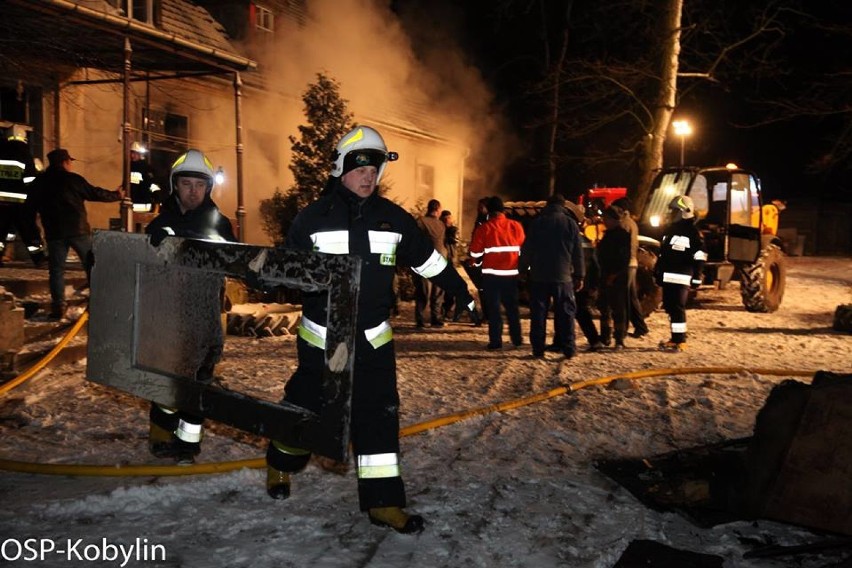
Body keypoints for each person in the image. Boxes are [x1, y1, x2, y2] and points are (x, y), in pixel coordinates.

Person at [264, 126, 479, 534]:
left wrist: (462, 291)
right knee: (306, 407)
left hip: (373, 341)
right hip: (322, 340)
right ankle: (282, 460)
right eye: (359, 167)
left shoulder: (393, 219)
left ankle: (383, 503)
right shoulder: (311, 219)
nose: (368, 176)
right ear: (340, 169)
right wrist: (268, 277)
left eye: (374, 168)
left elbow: (427, 262)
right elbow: (284, 269)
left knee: (379, 416)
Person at [144, 149, 236, 465]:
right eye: (187, 184)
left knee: (200, 379)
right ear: (176, 186)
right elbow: (146, 264)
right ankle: (161, 433)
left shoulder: (220, 224)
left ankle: (188, 444)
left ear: (208, 188)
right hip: (167, 315)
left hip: (204, 317)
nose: (194, 191)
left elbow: (234, 262)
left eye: (200, 184)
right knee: (167, 376)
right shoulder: (162, 223)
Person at [23, 148, 123, 319]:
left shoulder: (39, 183)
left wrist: (35, 235)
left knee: (56, 271)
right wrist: (116, 195)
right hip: (78, 231)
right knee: (92, 265)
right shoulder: (73, 179)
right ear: (64, 162)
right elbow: (94, 193)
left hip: (54, 233)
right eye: (70, 161)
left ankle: (58, 306)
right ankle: (99, 300)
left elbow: (28, 210)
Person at [518, 193, 584, 359]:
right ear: (563, 206)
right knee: (566, 314)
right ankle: (569, 348)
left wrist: (522, 270)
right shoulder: (571, 224)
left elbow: (527, 249)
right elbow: (578, 253)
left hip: (539, 276)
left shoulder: (538, 223)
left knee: (539, 314)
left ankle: (538, 349)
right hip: (563, 278)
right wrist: (580, 275)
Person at [469, 195, 525, 350]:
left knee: (494, 310)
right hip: (510, 275)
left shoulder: (484, 228)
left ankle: (496, 341)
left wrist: (475, 261)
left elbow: (474, 252)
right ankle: (517, 339)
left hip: (491, 276)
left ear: (489, 211)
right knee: (512, 308)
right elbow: (522, 247)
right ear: (503, 210)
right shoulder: (515, 226)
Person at [655, 195, 707, 352]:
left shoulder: (693, 232)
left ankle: (680, 340)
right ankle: (675, 338)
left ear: (684, 211)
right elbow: (663, 254)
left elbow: (700, 255)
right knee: (671, 308)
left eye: (674, 211)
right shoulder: (670, 231)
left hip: (682, 276)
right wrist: (658, 271)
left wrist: (698, 276)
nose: (671, 214)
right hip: (669, 276)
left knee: (677, 308)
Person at [564, 201, 604, 351]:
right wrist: (594, 283)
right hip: (585, 281)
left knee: (573, 311)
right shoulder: (586, 239)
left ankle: (593, 340)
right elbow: (594, 263)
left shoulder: (570, 240)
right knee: (579, 311)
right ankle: (594, 340)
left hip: (575, 280)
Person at [0, 125, 42, 266]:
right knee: (29, 232)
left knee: (1, 232)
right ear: (24, 138)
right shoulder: (24, 153)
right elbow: (30, 181)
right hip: (20, 203)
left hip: (0, 203)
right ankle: (39, 259)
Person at [611, 197, 649, 338]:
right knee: (631, 298)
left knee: (622, 299)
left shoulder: (623, 224)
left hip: (625, 264)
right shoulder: (631, 223)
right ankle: (641, 327)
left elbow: (622, 247)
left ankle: (621, 331)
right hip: (632, 263)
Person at [596, 206, 631, 350]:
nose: (604, 221)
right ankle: (605, 337)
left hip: (617, 277)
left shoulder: (622, 235)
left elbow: (623, 258)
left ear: (614, 219)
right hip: (605, 274)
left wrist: (613, 275)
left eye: (606, 218)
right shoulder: (608, 234)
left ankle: (619, 339)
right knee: (604, 308)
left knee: (618, 309)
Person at [412, 199, 447, 328]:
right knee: (437, 292)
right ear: (437, 209)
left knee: (423, 291)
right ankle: (436, 318)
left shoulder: (420, 222)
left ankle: (420, 320)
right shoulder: (441, 224)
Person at [129, 141, 161, 213]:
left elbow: (153, 185)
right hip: (130, 207)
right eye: (131, 152)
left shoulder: (146, 168)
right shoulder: (128, 167)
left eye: (135, 153)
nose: (132, 155)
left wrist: (157, 204)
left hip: (145, 207)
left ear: (140, 154)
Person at [440, 209, 459, 318]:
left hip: (451, 261)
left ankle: (449, 310)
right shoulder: (439, 229)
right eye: (445, 218)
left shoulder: (452, 230)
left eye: (449, 218)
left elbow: (455, 240)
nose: (448, 220)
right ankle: (443, 309)